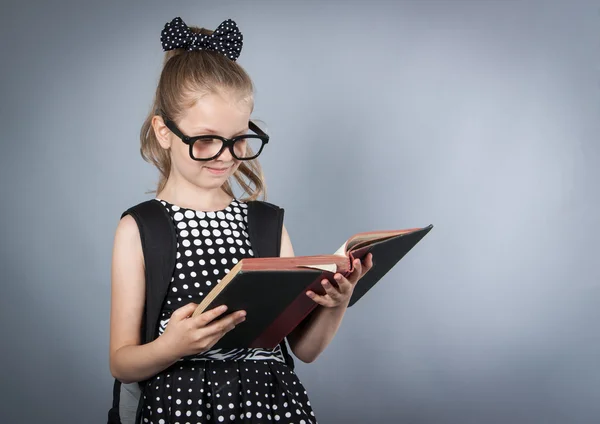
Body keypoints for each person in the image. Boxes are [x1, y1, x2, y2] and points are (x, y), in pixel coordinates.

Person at [109, 17, 373, 424]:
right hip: (181, 407)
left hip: (271, 405)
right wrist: (172, 346)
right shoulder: (142, 229)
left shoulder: (266, 225)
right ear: (164, 132)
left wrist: (336, 304)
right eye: (206, 139)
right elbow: (122, 362)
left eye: (238, 139)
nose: (225, 155)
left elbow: (304, 349)